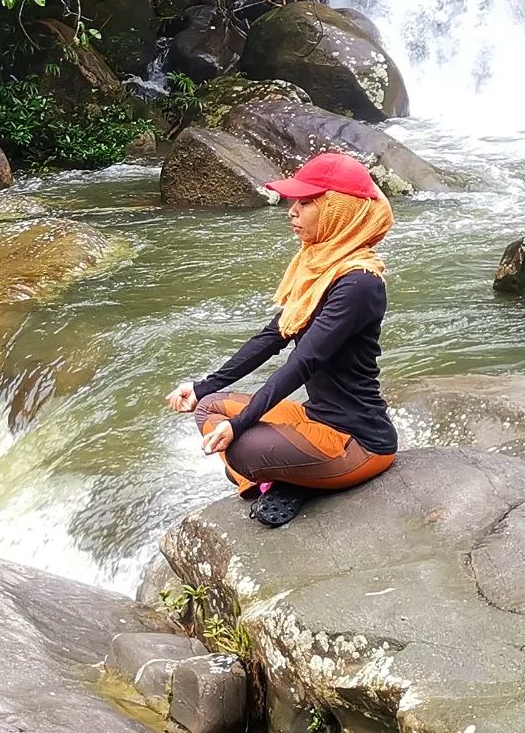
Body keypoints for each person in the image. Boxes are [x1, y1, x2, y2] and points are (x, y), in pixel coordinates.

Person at [166, 151, 398, 528]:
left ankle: (287, 477)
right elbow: (272, 336)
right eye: (294, 201)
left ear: (338, 211)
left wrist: (241, 425)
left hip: (358, 441)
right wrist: (202, 385)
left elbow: (303, 361)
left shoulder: (359, 283)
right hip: (317, 417)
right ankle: (285, 477)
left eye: (306, 203)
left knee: (238, 449)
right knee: (208, 407)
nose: (292, 211)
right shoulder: (319, 269)